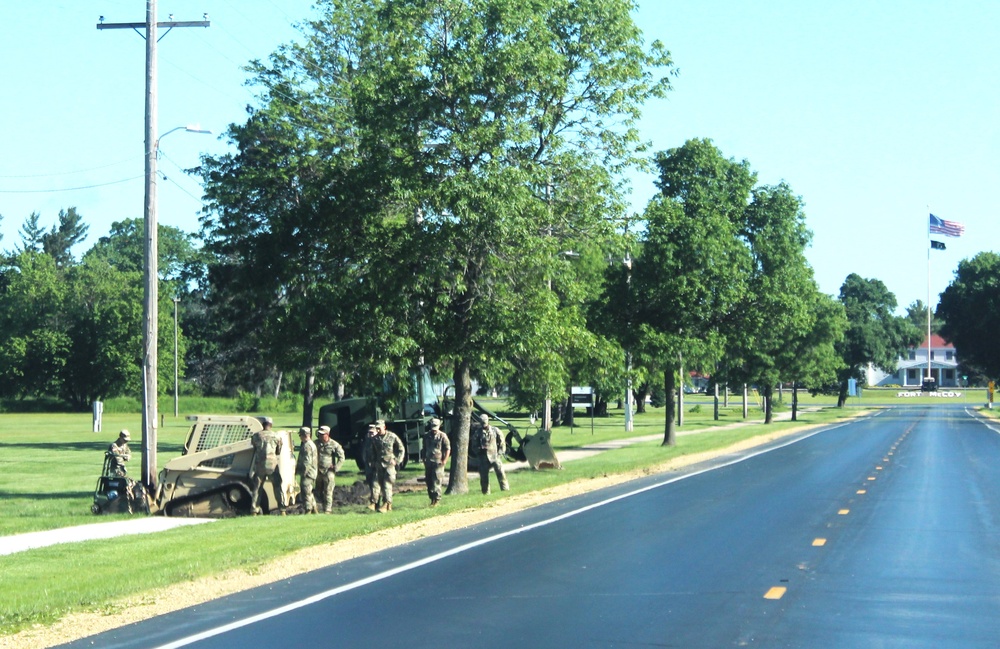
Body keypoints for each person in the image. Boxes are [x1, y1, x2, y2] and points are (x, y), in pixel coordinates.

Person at [365, 419, 404, 512]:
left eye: (379, 428)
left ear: (384, 427)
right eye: (377, 428)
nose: (378, 430)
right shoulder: (375, 439)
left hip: (389, 465)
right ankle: (377, 503)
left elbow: (401, 449)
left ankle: (387, 504)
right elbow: (372, 452)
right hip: (379, 466)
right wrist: (372, 462)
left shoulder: (392, 436)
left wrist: (397, 460)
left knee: (387, 485)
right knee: (377, 484)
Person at [249, 416, 286, 515]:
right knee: (277, 487)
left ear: (262, 424)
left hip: (260, 464)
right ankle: (282, 510)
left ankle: (254, 510)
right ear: (271, 425)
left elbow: (254, 447)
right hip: (272, 465)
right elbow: (278, 451)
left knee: (257, 488)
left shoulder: (256, 436)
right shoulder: (276, 436)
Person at [471, 413, 509, 494]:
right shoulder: (477, 433)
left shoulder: (495, 430)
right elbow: (473, 445)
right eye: (482, 423)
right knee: (484, 477)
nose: (484, 424)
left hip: (495, 456)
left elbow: (502, 442)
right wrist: (479, 451)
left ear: (488, 421)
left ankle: (505, 490)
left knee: (501, 474)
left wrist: (500, 453)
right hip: (483, 458)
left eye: (485, 422)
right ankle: (486, 493)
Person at [314, 425, 345, 514]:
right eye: (319, 434)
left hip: (328, 471)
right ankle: (320, 506)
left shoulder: (334, 444)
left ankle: (328, 509)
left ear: (327, 434)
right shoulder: (316, 443)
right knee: (318, 491)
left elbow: (341, 457)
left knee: (328, 490)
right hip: (318, 471)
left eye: (322, 434)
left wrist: (336, 467)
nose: (320, 436)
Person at [421, 418, 451, 507]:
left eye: (435, 427)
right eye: (432, 427)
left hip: (438, 462)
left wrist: (445, 460)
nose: (434, 430)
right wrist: (423, 458)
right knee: (429, 481)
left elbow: (447, 448)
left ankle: (437, 500)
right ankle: (432, 499)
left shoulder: (442, 436)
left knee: (436, 481)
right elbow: (424, 448)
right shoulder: (426, 436)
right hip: (428, 462)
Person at [295, 427, 318, 514]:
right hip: (312, 472)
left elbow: (307, 461)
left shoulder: (307, 446)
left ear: (303, 435)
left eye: (300, 435)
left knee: (305, 491)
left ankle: (308, 509)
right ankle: (314, 509)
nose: (300, 437)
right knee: (309, 491)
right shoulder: (311, 444)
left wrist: (303, 473)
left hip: (308, 473)